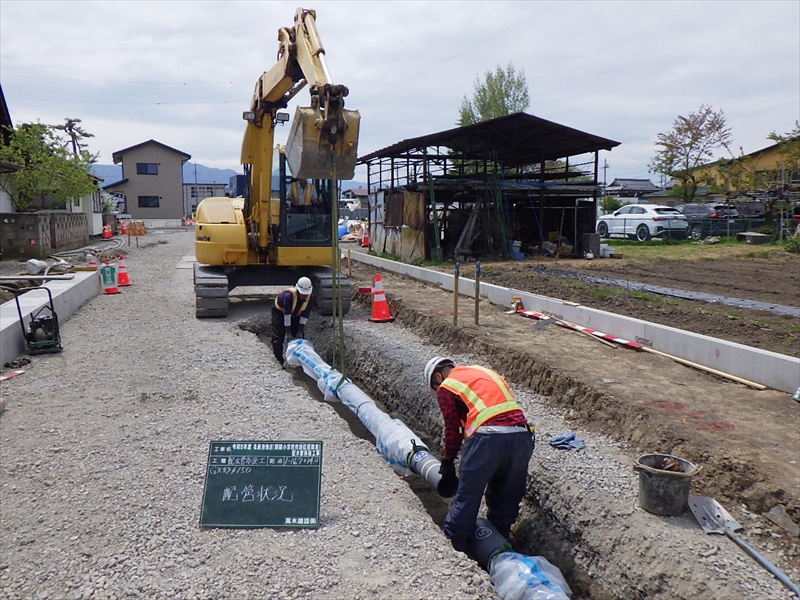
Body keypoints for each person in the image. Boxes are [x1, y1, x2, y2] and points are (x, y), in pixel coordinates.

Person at [424, 356, 534, 552]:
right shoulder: (484, 373)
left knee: (467, 498)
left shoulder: (447, 386)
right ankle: (499, 545)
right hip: (522, 437)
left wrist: (448, 462)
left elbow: (453, 429)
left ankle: (453, 549)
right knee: (506, 498)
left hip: (487, 440)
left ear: (438, 376)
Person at [271, 277, 314, 366]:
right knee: (278, 336)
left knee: (298, 337)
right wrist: (288, 332)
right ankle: (278, 360)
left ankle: (298, 362)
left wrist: (300, 330)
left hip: (295, 313)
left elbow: (305, 314)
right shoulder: (288, 296)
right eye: (302, 294)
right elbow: (287, 314)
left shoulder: (310, 297)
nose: (304, 296)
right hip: (280, 311)